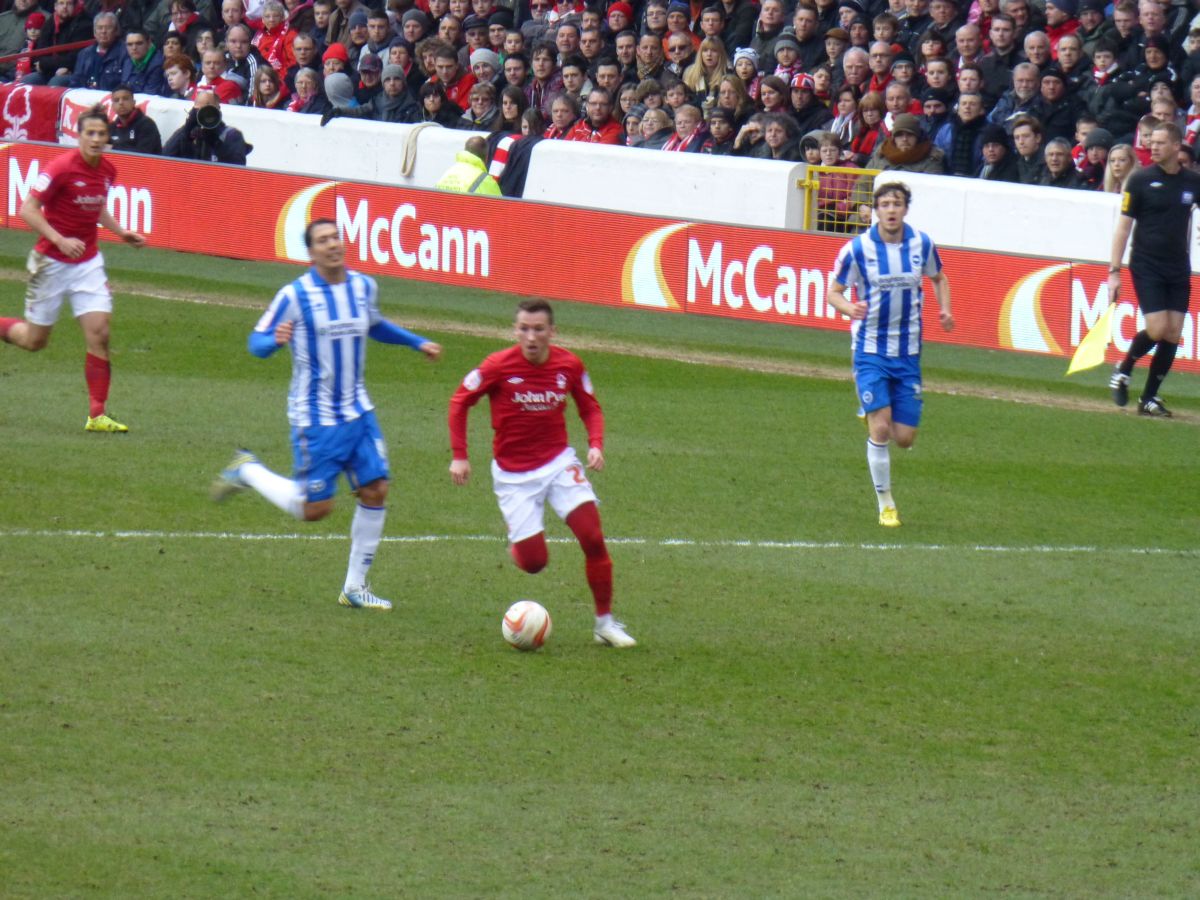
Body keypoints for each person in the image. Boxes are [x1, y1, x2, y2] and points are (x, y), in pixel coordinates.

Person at [211, 218, 442, 611]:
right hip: (316, 418)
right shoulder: (295, 295)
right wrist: (273, 342)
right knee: (315, 509)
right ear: (311, 252)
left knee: (376, 489)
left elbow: (375, 325)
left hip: (359, 411)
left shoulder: (363, 286)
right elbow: (255, 343)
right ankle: (247, 469)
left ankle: (355, 587)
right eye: (323, 240)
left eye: (336, 237)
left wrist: (415, 342)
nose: (333, 244)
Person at [448, 300, 636, 648]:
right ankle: (517, 543)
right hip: (513, 476)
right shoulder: (497, 366)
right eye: (524, 328)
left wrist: (595, 444)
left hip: (558, 464)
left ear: (552, 331)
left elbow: (590, 407)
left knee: (593, 537)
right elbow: (460, 401)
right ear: (514, 330)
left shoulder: (569, 364)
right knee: (534, 563)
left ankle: (604, 623)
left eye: (538, 329)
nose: (531, 336)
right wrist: (460, 456)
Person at [0, 106, 147, 433]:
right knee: (35, 341)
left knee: (100, 333)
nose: (95, 139)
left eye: (101, 134)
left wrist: (120, 231)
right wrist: (59, 239)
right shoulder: (61, 168)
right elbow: (28, 209)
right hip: (50, 261)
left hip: (88, 262)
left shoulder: (108, 170)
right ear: (78, 136)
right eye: (89, 134)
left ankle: (97, 414)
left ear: (108, 138)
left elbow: (97, 207)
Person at [824, 181, 954, 527]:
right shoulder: (858, 249)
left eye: (897, 203)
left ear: (905, 209)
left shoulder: (921, 244)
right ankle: (886, 504)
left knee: (904, 438)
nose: (891, 209)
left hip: (909, 351)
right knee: (880, 430)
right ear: (876, 210)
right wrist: (849, 308)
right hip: (870, 349)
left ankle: (870, 405)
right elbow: (833, 292)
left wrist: (945, 310)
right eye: (884, 204)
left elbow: (939, 278)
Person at [1107, 122, 1200, 417]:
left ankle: (1149, 398)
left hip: (1178, 265)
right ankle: (1124, 368)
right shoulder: (1140, 181)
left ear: (1176, 146)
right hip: (1146, 263)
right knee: (1158, 328)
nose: (1154, 147)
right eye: (1152, 142)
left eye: (1160, 142)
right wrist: (1114, 270)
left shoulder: (1191, 182)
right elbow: (1123, 228)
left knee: (1173, 333)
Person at [163, 92, 252, 163]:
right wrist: (187, 129)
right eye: (199, 111)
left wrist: (214, 140)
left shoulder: (231, 135)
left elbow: (236, 170)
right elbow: (164, 159)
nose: (205, 116)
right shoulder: (188, 133)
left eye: (209, 111)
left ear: (218, 110)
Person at [435, 135, 503, 194]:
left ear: (465, 150)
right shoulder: (485, 180)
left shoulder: (449, 172)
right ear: (486, 157)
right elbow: (499, 206)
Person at [109, 85, 164, 154]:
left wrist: (113, 148)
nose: (121, 103)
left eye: (125, 99)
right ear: (113, 106)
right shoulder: (111, 127)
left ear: (133, 102)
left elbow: (142, 155)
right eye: (116, 100)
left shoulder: (147, 124)